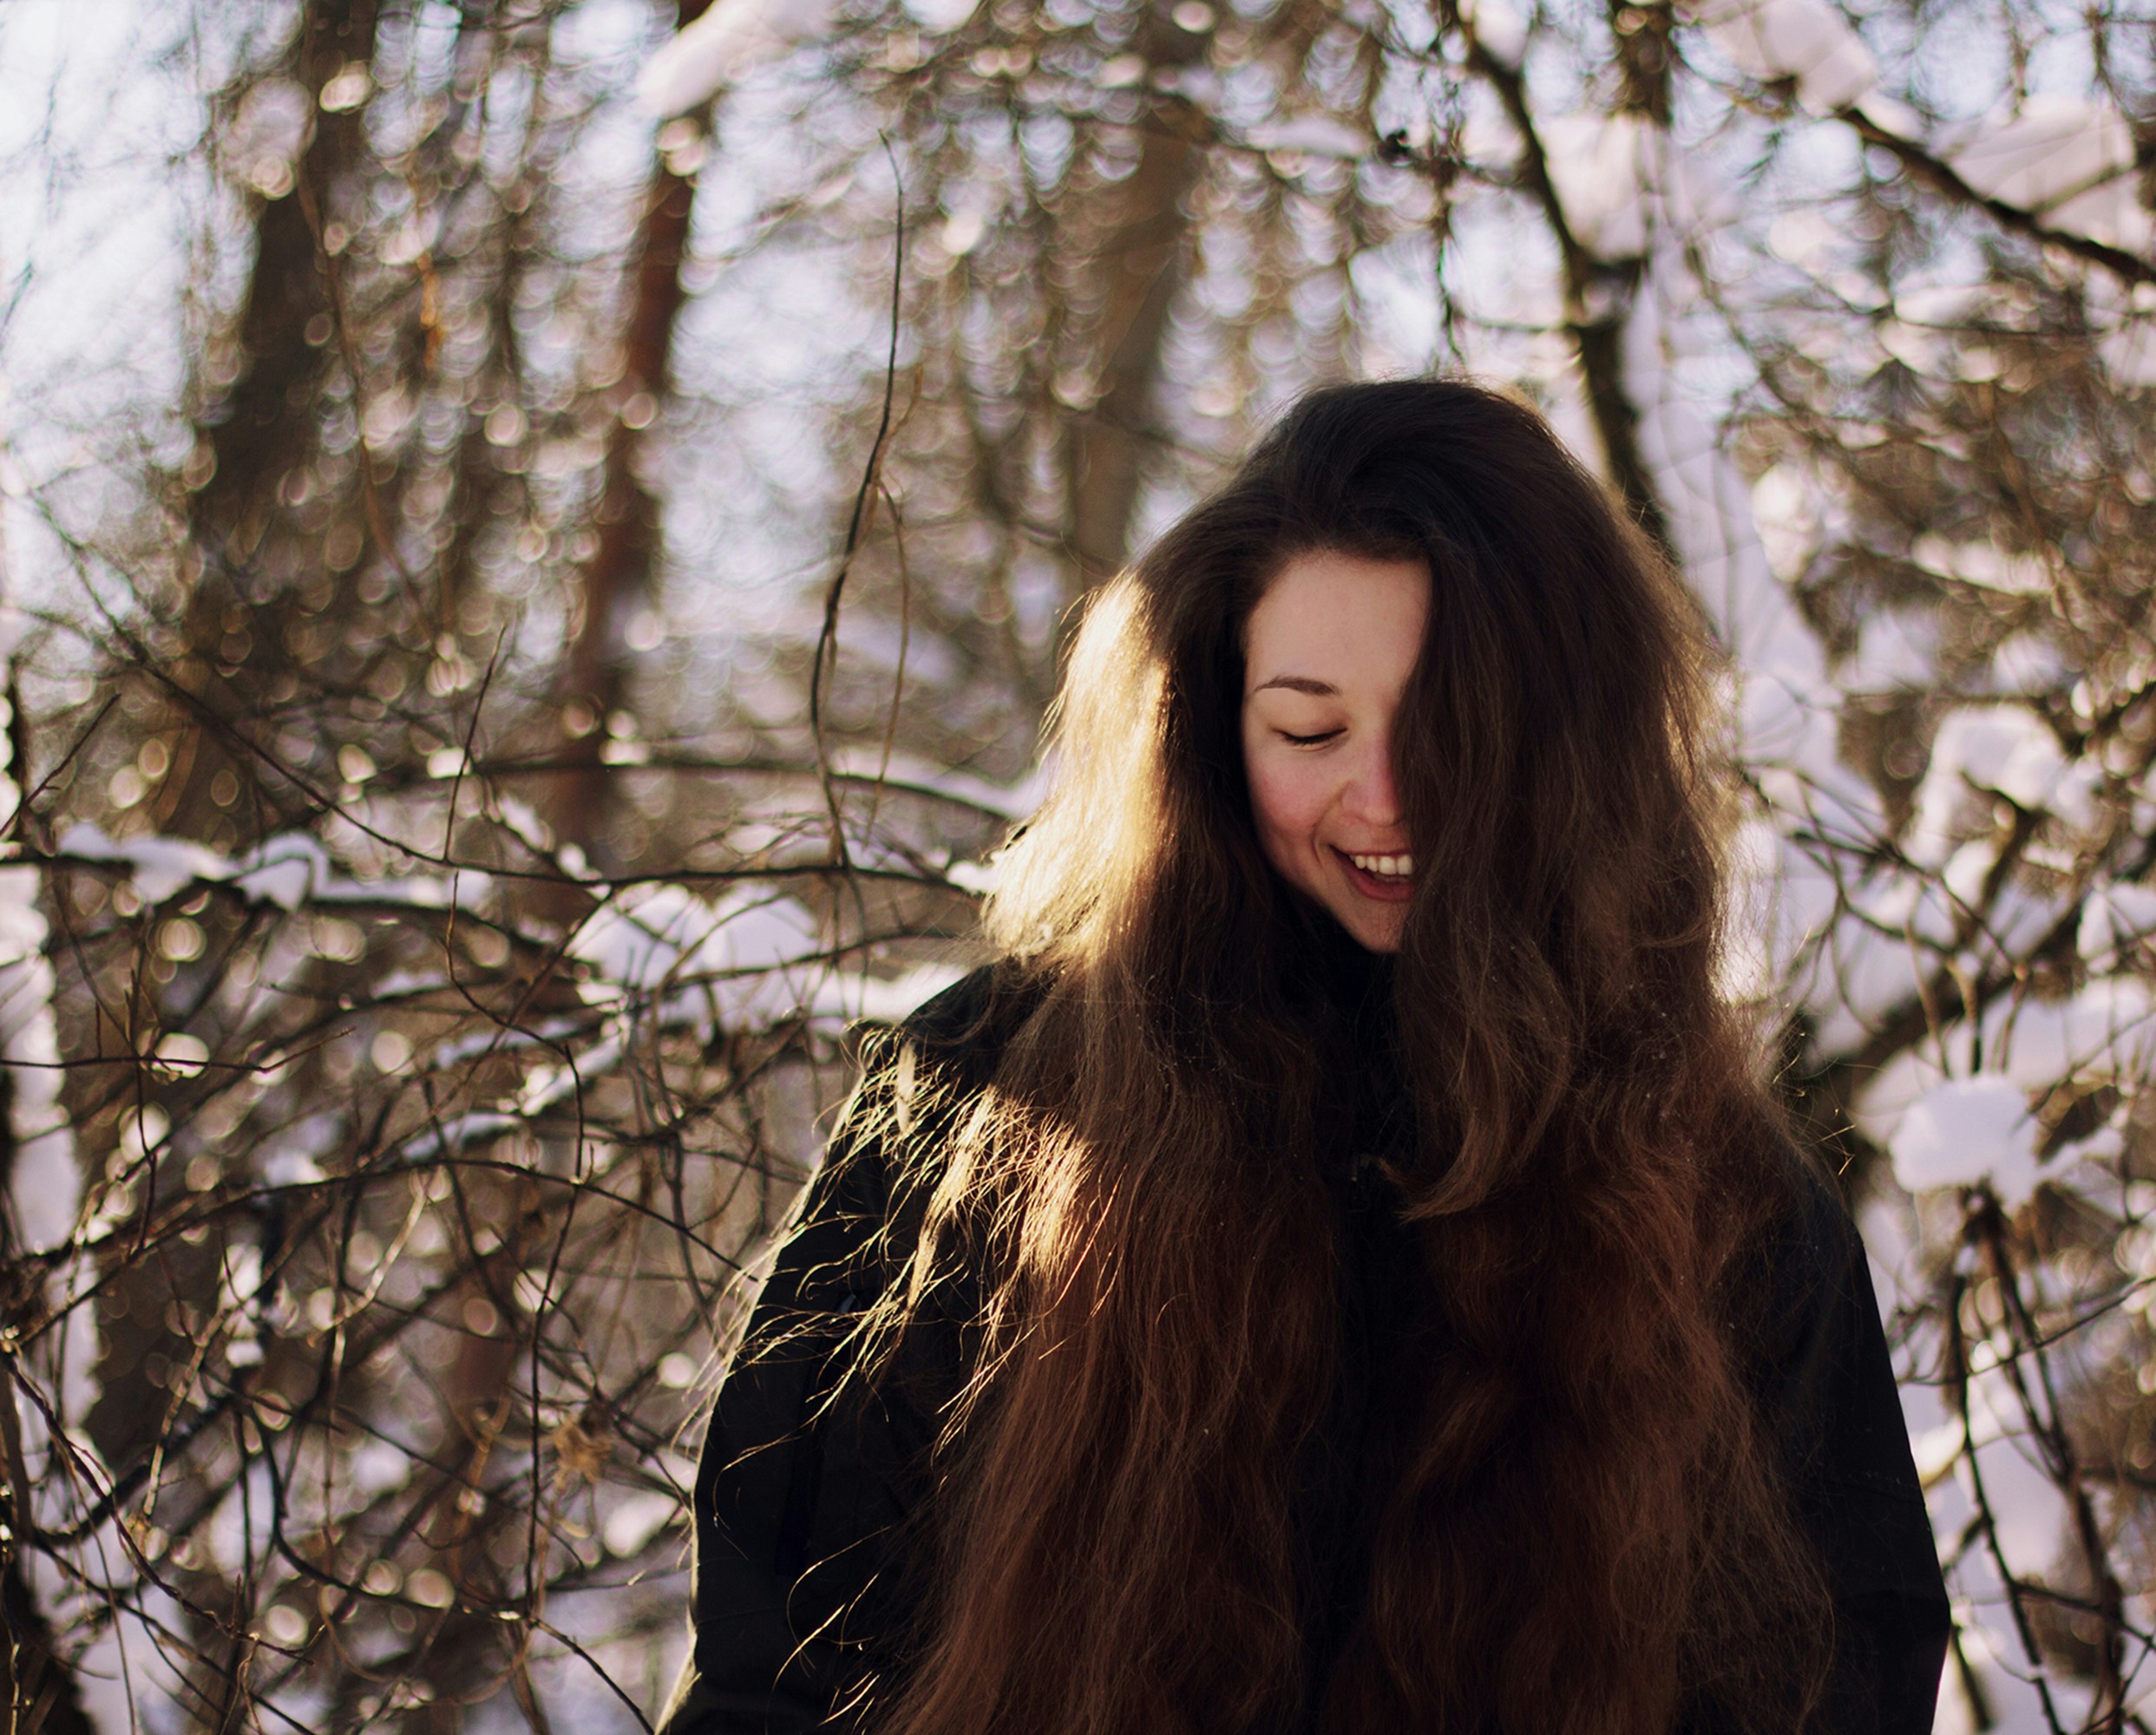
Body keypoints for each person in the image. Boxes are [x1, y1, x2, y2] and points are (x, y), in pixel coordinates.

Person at [656, 380, 1950, 1735]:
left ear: (1567, 746)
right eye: (1309, 730)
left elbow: (1833, 1685)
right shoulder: (989, 1094)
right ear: (1214, 730)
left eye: (1447, 728)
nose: (1384, 798)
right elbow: (778, 1654)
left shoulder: (1731, 1207)